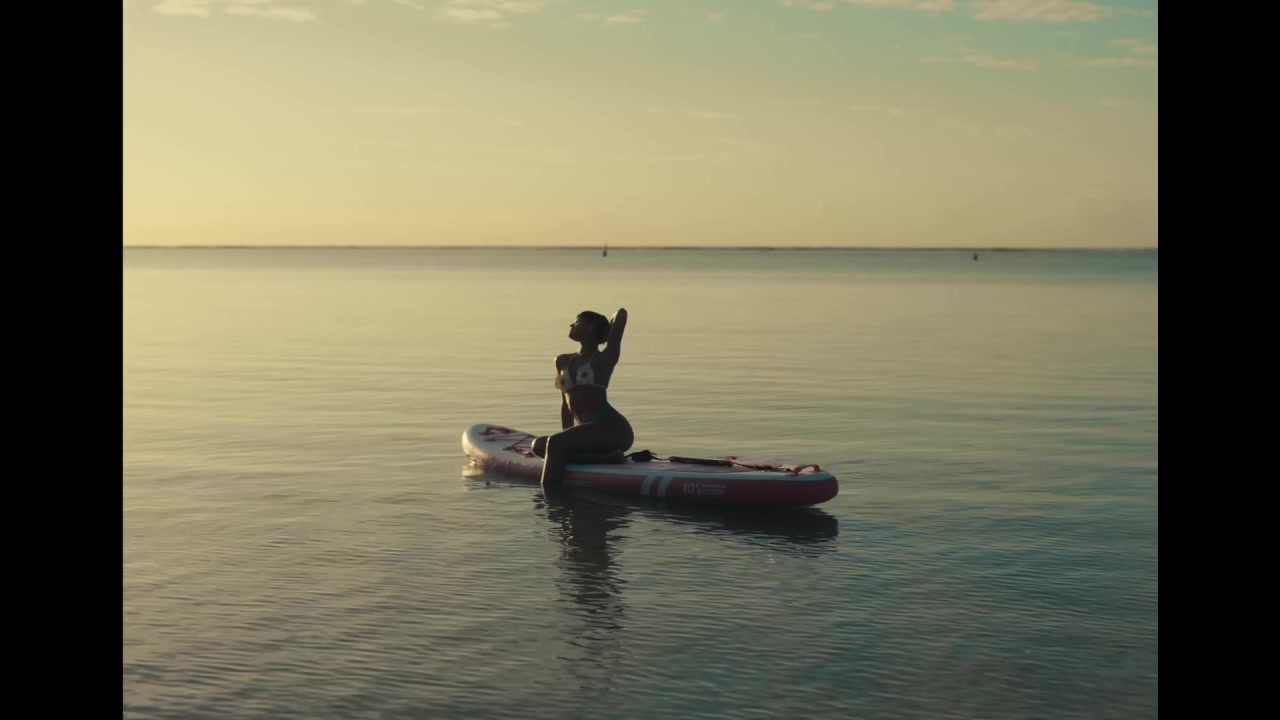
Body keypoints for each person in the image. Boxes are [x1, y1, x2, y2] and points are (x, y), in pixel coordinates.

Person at [531, 308, 635, 489]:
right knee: (539, 445)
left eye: (578, 322)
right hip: (587, 433)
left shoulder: (604, 359)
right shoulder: (562, 361)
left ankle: (550, 498)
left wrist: (603, 330)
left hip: (612, 428)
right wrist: (565, 437)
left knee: (554, 444)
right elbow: (566, 404)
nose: (572, 325)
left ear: (591, 327)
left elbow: (621, 314)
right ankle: (605, 458)